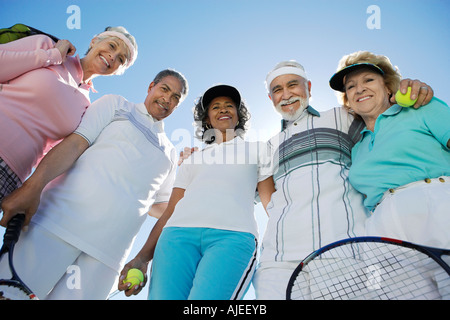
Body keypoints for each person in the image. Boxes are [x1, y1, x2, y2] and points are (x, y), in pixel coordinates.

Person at [252, 60, 434, 300]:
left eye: (293, 85)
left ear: (308, 87)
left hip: (342, 251)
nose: (286, 94)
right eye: (277, 90)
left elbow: (384, 108)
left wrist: (410, 88)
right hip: (276, 261)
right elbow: (267, 198)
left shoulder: (344, 115)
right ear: (270, 98)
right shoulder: (267, 147)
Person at [0, 69, 188, 299]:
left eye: (176, 97)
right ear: (151, 86)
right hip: (55, 223)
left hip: (108, 256)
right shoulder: (117, 104)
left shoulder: (170, 153)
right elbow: (75, 144)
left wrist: (192, 180)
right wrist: (31, 188)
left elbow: (160, 208)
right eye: (165, 89)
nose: (167, 99)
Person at [118, 84, 275, 300]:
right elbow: (171, 210)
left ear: (239, 117)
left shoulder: (259, 149)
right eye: (215, 107)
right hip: (176, 238)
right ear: (207, 120)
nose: (223, 109)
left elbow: (271, 204)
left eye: (229, 106)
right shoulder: (192, 159)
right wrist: (142, 257)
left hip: (232, 238)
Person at [329, 51, 450, 298]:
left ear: (388, 87)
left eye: (368, 80)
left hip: (439, 207)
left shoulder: (421, 108)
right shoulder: (357, 147)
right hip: (383, 230)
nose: (359, 89)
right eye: (350, 86)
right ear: (347, 100)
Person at [0, 26, 137, 205]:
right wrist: (54, 55)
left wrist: (29, 188)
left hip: (11, 176)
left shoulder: (87, 106)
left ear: (118, 70)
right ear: (94, 41)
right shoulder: (48, 46)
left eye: (121, 58)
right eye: (112, 46)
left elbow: (53, 152)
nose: (113, 56)